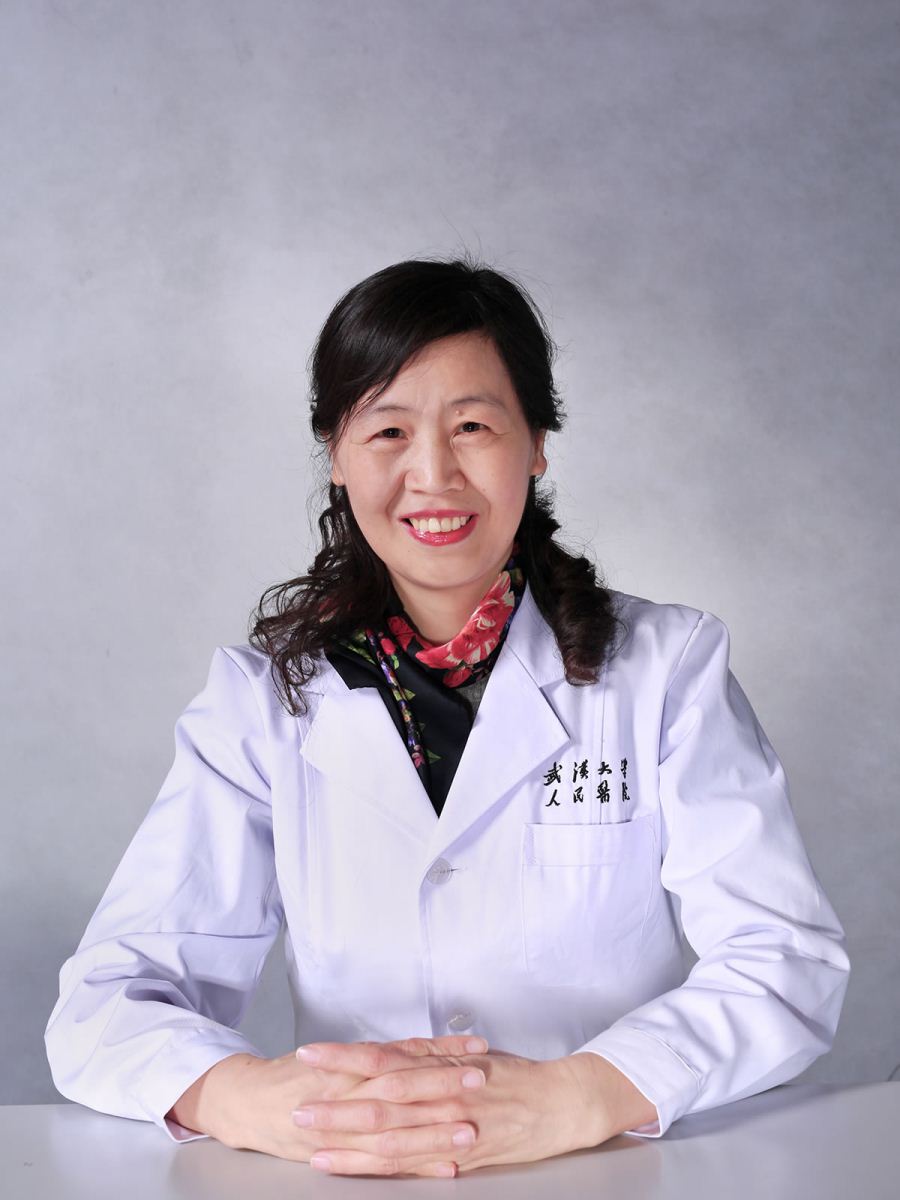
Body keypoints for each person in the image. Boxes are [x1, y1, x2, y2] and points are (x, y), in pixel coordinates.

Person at [45, 257, 850, 1178]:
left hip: (610, 1171)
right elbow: (105, 1003)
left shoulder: (665, 669)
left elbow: (785, 959)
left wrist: (583, 1092)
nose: (432, 473)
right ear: (336, 455)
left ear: (536, 442)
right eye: (388, 430)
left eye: (472, 426)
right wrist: (257, 1099)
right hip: (357, 1176)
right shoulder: (262, 702)